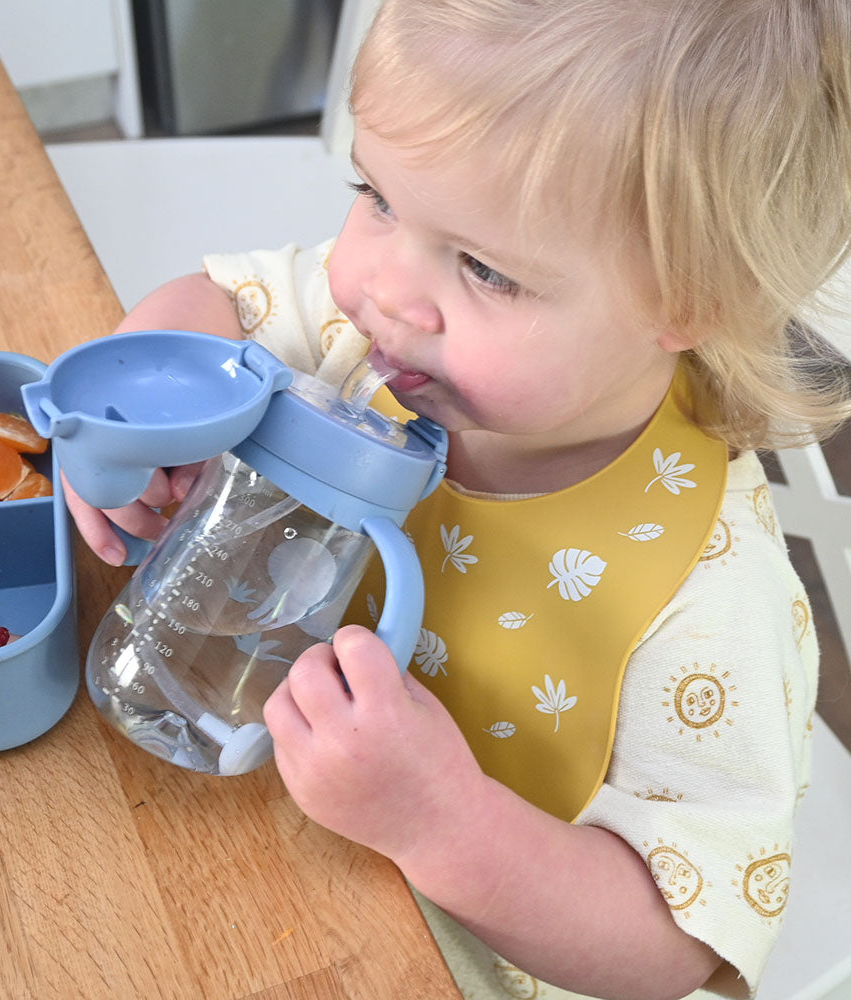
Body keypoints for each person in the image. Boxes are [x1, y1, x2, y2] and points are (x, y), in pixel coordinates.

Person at [65, 2, 851, 997]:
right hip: (246, 837)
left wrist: (439, 820)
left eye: (486, 269)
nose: (384, 289)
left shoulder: (707, 600)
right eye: (377, 197)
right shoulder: (387, 340)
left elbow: (677, 938)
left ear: (690, 302)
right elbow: (216, 306)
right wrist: (130, 416)